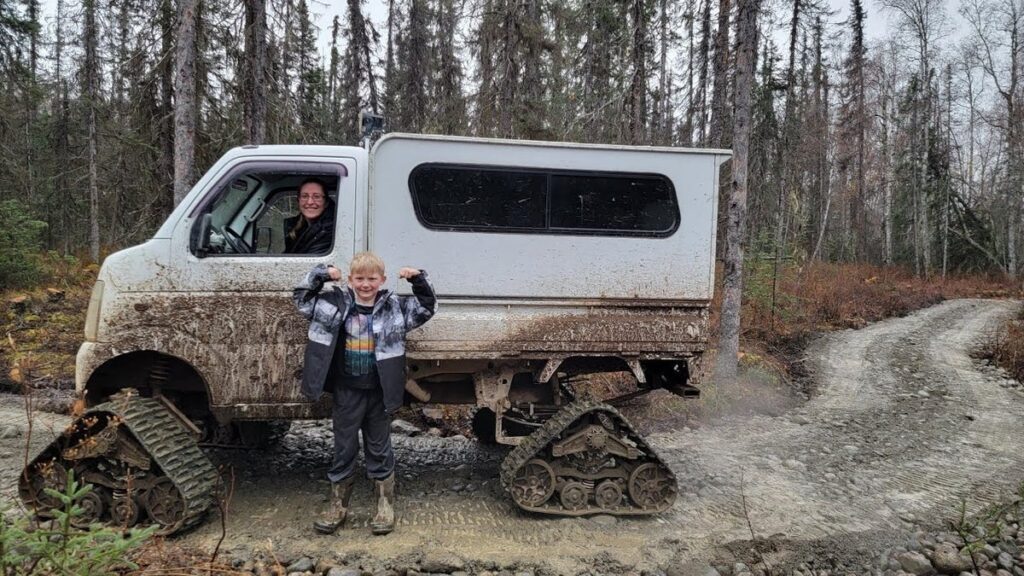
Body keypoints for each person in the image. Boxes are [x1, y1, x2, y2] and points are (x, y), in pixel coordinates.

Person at [292, 252, 437, 536]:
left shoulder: (395, 307)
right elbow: (301, 299)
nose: (366, 284)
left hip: (379, 392)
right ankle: (338, 504)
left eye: (372, 279)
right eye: (360, 278)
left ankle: (385, 504)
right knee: (344, 447)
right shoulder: (334, 304)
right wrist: (321, 273)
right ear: (350, 280)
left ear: (382, 281)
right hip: (347, 392)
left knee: (379, 447)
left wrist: (418, 280)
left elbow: (427, 307)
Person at [284, 178, 336, 254]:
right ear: (298, 200)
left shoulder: (330, 229)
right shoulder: (298, 227)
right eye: (305, 196)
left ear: (326, 202)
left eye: (317, 197)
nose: (310, 202)